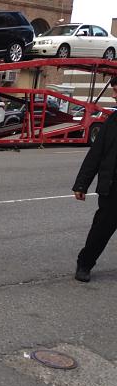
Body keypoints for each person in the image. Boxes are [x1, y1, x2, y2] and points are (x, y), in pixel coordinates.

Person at [72, 76, 117, 282]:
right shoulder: (113, 122)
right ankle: (85, 264)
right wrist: (82, 183)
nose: (114, 95)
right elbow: (96, 155)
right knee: (100, 231)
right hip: (113, 190)